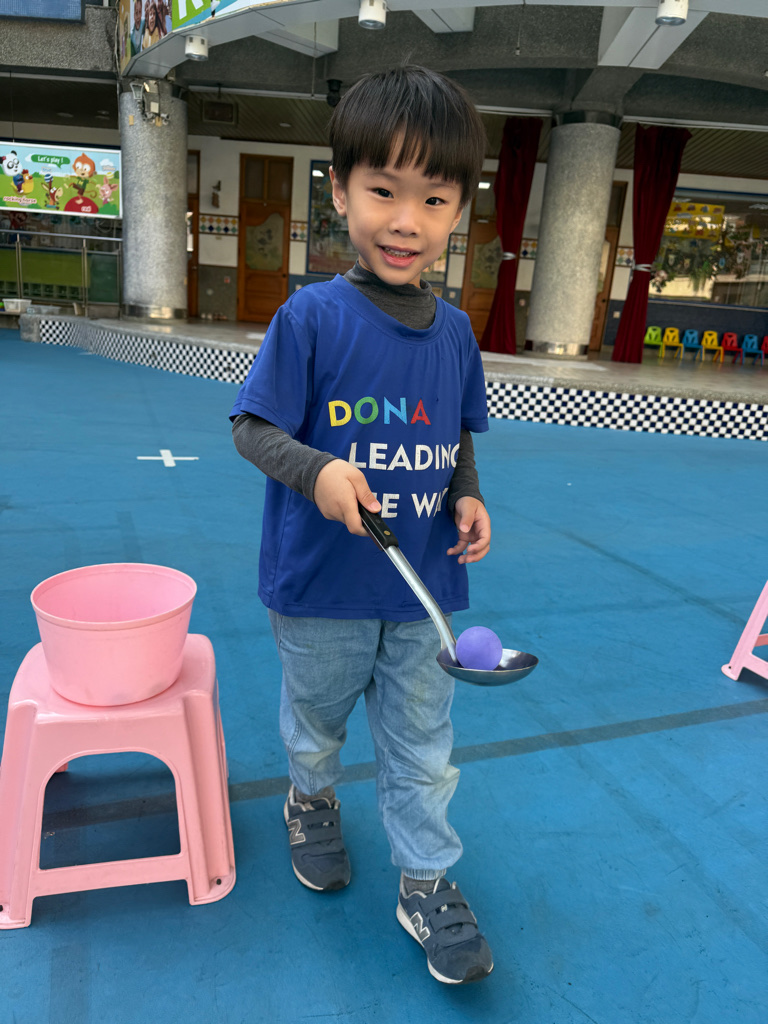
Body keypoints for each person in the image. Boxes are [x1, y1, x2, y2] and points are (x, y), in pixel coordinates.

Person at [230, 65, 493, 985]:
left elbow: (456, 431)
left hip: (422, 593)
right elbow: (252, 428)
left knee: (424, 749)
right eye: (384, 191)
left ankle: (426, 881)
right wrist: (319, 470)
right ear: (340, 191)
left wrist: (467, 494)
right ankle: (310, 800)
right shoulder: (310, 318)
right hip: (321, 590)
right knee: (316, 724)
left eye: (434, 198)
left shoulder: (457, 333)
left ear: (459, 211)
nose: (406, 220)